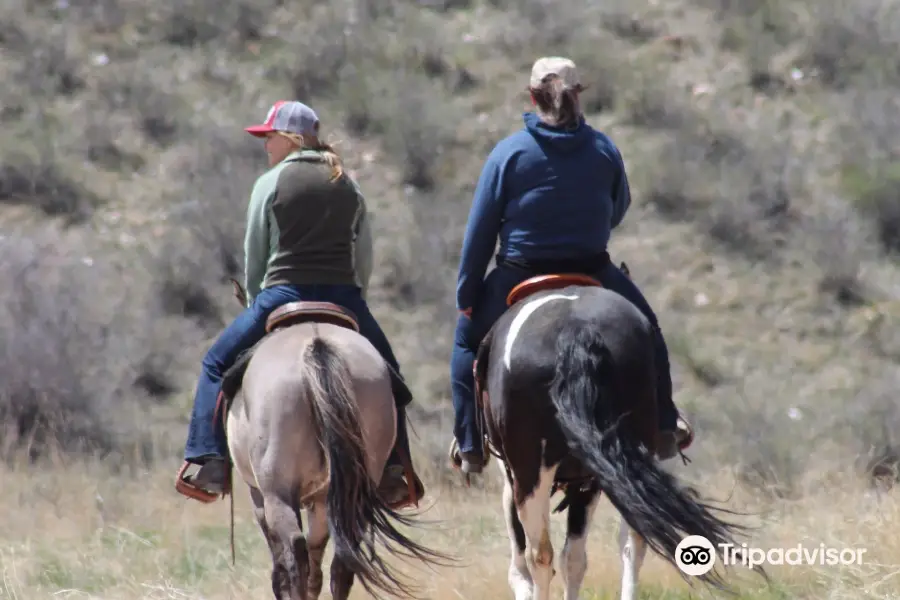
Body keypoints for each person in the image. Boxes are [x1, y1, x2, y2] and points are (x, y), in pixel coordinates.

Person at [449, 57, 693, 474]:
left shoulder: (507, 154)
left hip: (518, 272)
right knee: (648, 333)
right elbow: (618, 210)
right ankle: (665, 426)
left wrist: (467, 294)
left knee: (465, 347)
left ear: (532, 96)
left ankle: (470, 442)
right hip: (593, 269)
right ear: (578, 95)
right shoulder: (603, 149)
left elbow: (481, 232)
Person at [175, 100, 423, 508]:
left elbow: (255, 254)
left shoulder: (270, 182)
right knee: (389, 376)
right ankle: (395, 471)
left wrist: (256, 301)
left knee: (215, 363)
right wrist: (354, 296)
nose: (266, 146)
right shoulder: (347, 183)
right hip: (343, 296)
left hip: (282, 294)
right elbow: (364, 257)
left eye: (269, 137)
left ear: (290, 138)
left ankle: (209, 460)